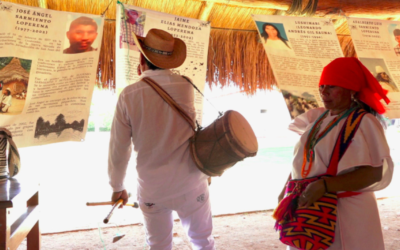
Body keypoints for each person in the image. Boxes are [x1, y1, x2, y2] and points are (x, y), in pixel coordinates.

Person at [108, 29, 215, 250]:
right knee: (202, 240)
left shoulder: (129, 95)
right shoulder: (186, 86)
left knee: (158, 245)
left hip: (152, 187)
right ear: (169, 60)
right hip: (191, 181)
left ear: (141, 58)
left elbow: (119, 146)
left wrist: (117, 186)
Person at [278, 57, 394, 249]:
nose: (324, 92)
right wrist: (287, 188)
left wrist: (325, 185)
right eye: (322, 86)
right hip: (312, 208)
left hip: (346, 212)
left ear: (351, 89)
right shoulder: (318, 118)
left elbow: (374, 172)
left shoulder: (363, 122)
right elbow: (306, 160)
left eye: (332, 87)